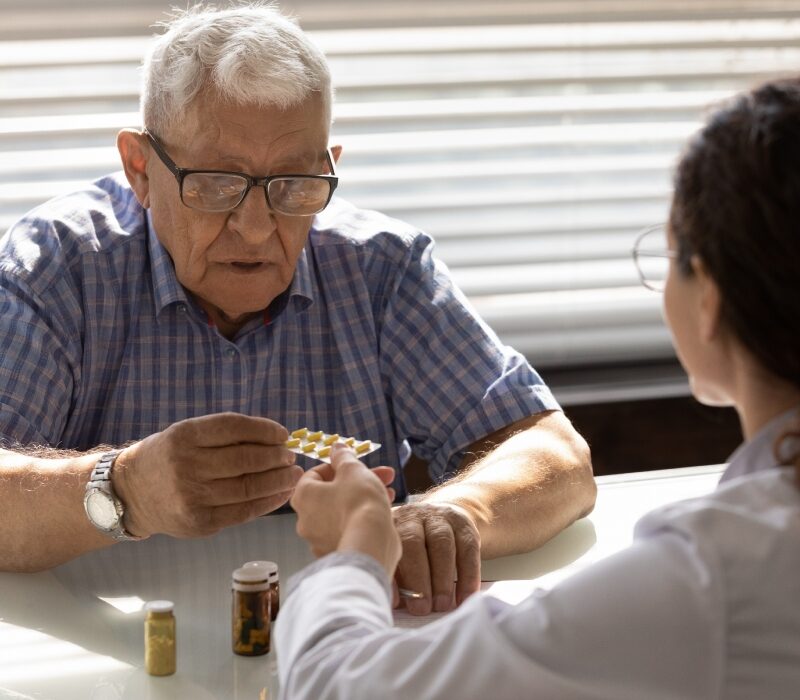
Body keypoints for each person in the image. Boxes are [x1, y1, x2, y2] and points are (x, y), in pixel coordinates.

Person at [0, 0, 595, 613]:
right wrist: (126, 490)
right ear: (140, 169)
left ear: (329, 168)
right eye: (217, 184)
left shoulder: (380, 269)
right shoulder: (60, 266)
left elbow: (555, 455)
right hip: (106, 643)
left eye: (293, 185)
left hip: (342, 636)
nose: (257, 228)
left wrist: (454, 513)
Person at [276, 77, 800, 698]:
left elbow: (336, 687)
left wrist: (355, 549)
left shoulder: (706, 579)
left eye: (668, 260)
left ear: (708, 297)